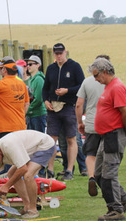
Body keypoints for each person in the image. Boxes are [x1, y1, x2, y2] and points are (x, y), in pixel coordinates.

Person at [89, 58, 126, 221]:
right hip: (106, 136)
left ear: (105, 72)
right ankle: (124, 198)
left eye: (96, 75)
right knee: (98, 174)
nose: (95, 79)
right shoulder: (109, 87)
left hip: (114, 136)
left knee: (109, 174)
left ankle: (116, 210)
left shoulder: (117, 87)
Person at [0, 130, 55, 219]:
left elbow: (23, 168)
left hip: (44, 145)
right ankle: (27, 206)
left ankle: (33, 210)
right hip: (30, 149)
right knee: (11, 173)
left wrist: (6, 186)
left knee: (28, 175)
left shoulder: (10, 147)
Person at [42, 43, 85, 180]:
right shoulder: (50, 69)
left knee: (71, 139)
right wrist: (46, 100)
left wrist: (67, 90)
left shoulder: (74, 66)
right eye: (56, 53)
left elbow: (81, 86)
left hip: (69, 106)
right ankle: (50, 170)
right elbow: (45, 88)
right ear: (54, 54)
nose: (59, 56)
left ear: (65, 52)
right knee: (51, 139)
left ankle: (69, 170)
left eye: (61, 53)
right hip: (53, 108)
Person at [76, 55, 109, 196]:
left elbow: (79, 104)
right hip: (108, 123)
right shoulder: (111, 82)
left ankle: (91, 177)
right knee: (107, 154)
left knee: (90, 154)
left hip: (91, 122)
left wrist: (79, 122)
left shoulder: (87, 82)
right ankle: (105, 180)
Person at [24, 55, 46, 133]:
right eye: (27, 64)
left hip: (38, 115)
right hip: (31, 115)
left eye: (30, 64)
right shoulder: (30, 79)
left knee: (38, 139)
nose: (28, 66)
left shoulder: (39, 79)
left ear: (38, 65)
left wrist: (27, 110)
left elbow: (39, 99)